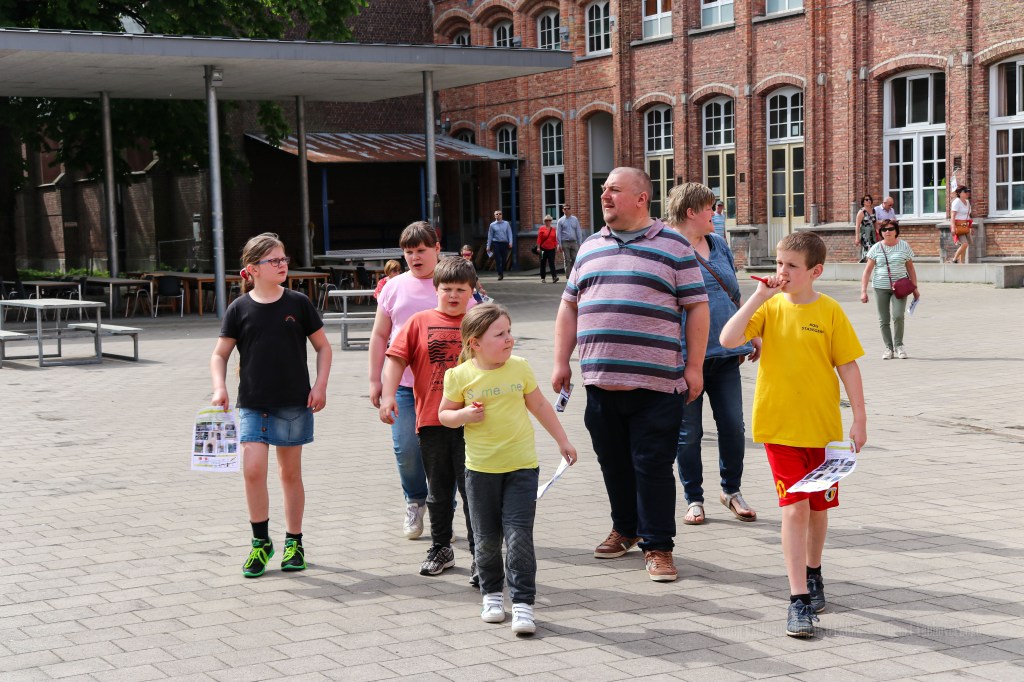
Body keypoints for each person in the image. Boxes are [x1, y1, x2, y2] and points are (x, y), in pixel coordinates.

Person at [551, 167, 710, 583]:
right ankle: (625, 528)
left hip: (657, 385)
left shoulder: (673, 245)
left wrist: (694, 366)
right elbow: (569, 305)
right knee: (613, 463)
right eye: (604, 189)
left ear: (641, 198)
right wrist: (561, 360)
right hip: (600, 382)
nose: (604, 195)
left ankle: (658, 546)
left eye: (614, 190)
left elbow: (697, 307)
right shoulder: (590, 246)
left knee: (652, 465)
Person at [720, 231, 866, 638]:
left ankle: (814, 571)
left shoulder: (830, 311)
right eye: (779, 263)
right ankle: (798, 599)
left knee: (818, 509)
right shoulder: (769, 308)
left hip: (823, 433)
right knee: (795, 508)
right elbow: (728, 339)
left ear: (815, 272)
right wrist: (758, 297)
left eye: (791, 266)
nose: (781, 272)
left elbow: (848, 365)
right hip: (779, 428)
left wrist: (859, 419)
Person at [440, 303, 578, 636]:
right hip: (480, 471)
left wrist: (562, 440)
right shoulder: (459, 376)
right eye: (500, 334)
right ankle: (491, 595)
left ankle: (523, 603)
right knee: (486, 539)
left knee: (518, 537)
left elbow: (540, 405)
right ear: (475, 343)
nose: (509, 339)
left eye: (509, 331)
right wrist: (463, 416)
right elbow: (444, 415)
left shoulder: (519, 367)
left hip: (522, 467)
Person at [210, 232, 332, 578]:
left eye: (283, 259)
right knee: (252, 470)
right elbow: (219, 354)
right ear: (253, 269)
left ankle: (294, 542)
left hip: (293, 402)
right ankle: (260, 542)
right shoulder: (239, 308)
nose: (282, 265)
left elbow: (323, 347)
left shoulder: (298, 303)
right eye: (274, 260)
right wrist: (219, 387)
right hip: (252, 403)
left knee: (289, 474)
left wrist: (320, 385)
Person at [370, 222, 475, 541]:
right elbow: (380, 335)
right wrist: (376, 381)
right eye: (408, 252)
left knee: (449, 455)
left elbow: (479, 332)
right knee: (406, 450)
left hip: (448, 389)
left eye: (421, 250)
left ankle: (445, 514)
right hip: (404, 385)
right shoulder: (394, 287)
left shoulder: (455, 283)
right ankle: (415, 501)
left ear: (437, 249)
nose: (415, 257)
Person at [666, 183, 760, 526]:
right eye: (709, 208)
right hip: (684, 358)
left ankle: (731, 490)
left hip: (725, 354)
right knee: (689, 433)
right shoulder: (667, 248)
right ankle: (694, 498)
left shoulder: (718, 244)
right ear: (691, 212)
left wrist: (752, 332)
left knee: (733, 426)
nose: (716, 213)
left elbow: (733, 292)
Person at [860, 222, 920, 359]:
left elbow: (910, 268)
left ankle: (899, 346)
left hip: (900, 287)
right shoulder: (876, 248)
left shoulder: (904, 246)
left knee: (898, 316)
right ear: (880, 232)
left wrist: (915, 288)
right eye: (884, 229)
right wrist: (863, 291)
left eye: (891, 229)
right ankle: (888, 348)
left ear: (896, 231)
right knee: (884, 319)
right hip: (880, 287)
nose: (887, 232)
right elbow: (867, 271)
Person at [556, 203, 583, 275]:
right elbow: (558, 233)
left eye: (568, 208)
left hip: (574, 242)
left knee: (575, 258)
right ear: (563, 210)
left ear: (570, 209)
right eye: (565, 209)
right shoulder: (560, 221)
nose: (567, 210)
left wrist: (580, 242)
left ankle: (575, 275)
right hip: (565, 242)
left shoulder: (575, 219)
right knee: (567, 259)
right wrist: (559, 244)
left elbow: (578, 231)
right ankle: (568, 276)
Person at [487, 210, 513, 280]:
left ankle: (501, 271)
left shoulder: (506, 223)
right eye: (497, 214)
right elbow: (490, 236)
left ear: (502, 215)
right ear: (494, 216)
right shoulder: (492, 225)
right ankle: (500, 274)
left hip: (504, 243)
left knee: (504, 259)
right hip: (496, 243)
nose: (498, 215)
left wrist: (510, 242)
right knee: (498, 259)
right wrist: (488, 246)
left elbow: (509, 233)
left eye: (500, 214)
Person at [949, 186, 973, 264]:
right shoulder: (956, 202)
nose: (967, 193)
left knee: (965, 245)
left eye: (967, 191)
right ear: (959, 193)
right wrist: (953, 227)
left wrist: (970, 227)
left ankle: (962, 262)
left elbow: (968, 215)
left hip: (965, 225)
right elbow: (952, 216)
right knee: (964, 244)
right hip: (958, 226)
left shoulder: (967, 202)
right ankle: (954, 259)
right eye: (965, 192)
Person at [536, 215, 559, 283]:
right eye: (546, 220)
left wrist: (557, 246)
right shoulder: (541, 228)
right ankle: (543, 278)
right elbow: (539, 239)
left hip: (551, 249)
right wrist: (538, 247)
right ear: (544, 221)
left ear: (551, 221)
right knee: (542, 263)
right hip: (542, 249)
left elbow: (555, 240)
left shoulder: (554, 229)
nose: (548, 221)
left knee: (552, 263)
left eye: (549, 220)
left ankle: (554, 277)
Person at [854, 194, 877, 262]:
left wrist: (878, 232)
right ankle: (864, 263)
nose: (868, 201)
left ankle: (871, 263)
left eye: (870, 199)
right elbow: (857, 225)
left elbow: (875, 223)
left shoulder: (873, 211)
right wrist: (857, 238)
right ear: (863, 202)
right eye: (866, 199)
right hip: (865, 234)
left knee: (873, 248)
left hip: (873, 234)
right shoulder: (861, 212)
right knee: (867, 248)